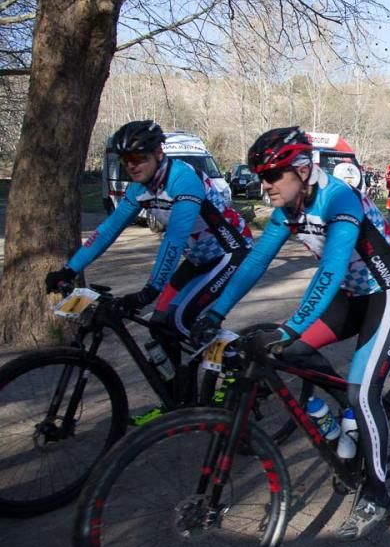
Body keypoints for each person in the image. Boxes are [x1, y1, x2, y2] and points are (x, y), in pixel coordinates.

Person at [190, 127, 390, 541]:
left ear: (302, 169)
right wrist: (215, 311)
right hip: (351, 294)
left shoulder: (339, 198)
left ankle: (378, 494)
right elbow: (255, 262)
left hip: (389, 291)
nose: (264, 184)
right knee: (289, 353)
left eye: (273, 175)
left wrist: (288, 326)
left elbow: (330, 269)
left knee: (361, 392)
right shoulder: (287, 210)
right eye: (261, 175)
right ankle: (344, 424)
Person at [45, 121, 253, 419]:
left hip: (229, 252)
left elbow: (174, 240)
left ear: (158, 153)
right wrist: (69, 269)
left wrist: (150, 290)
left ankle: (238, 370)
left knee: (183, 322)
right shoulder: (139, 189)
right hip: (198, 257)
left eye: (139, 158)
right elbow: (107, 231)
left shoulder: (183, 180)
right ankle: (176, 401)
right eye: (126, 160)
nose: (132, 165)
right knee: (159, 324)